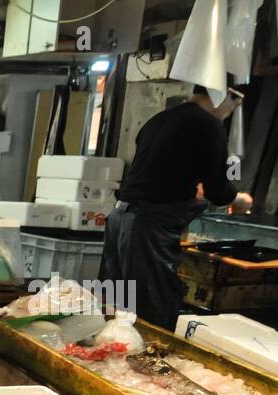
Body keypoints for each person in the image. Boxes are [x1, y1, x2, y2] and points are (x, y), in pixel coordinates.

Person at [99, 84, 253, 331]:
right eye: (235, 103)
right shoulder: (209, 125)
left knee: (116, 306)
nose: (232, 110)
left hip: (120, 217)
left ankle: (110, 362)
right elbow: (218, 190)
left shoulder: (161, 118)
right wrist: (240, 199)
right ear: (225, 94)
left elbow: (157, 172)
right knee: (149, 311)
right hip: (145, 225)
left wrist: (192, 190)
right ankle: (144, 366)